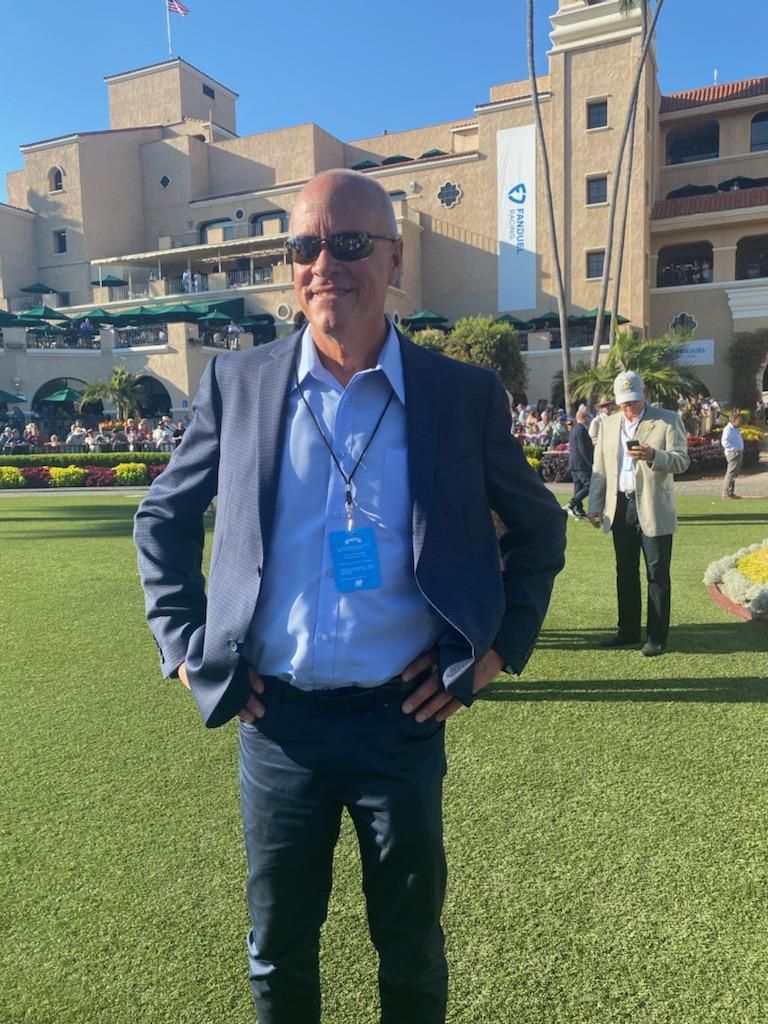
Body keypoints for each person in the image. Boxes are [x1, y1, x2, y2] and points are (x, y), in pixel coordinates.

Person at [134, 168, 566, 1024]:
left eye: (350, 243)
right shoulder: (238, 383)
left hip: (399, 721)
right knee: (277, 950)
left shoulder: (460, 394)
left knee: (410, 948)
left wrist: (490, 657)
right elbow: (162, 520)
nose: (324, 263)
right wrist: (186, 651)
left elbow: (539, 530)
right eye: (306, 246)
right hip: (277, 724)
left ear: (394, 260)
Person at [588, 370, 690, 657]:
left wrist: (654, 455)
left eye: (632, 401)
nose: (628, 408)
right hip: (620, 507)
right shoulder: (607, 424)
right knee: (625, 571)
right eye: (623, 403)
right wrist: (595, 505)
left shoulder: (667, 419)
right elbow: (599, 469)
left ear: (644, 394)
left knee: (657, 574)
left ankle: (657, 637)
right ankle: (628, 630)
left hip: (653, 507)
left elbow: (683, 461)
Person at [565, 406, 593, 520]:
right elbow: (583, 449)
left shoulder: (574, 429)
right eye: (588, 416)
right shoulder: (581, 430)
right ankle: (572, 503)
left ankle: (579, 509)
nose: (590, 419)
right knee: (589, 485)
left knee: (578, 486)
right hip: (581, 464)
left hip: (574, 463)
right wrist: (590, 463)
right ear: (583, 418)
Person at [721, 410, 744, 499]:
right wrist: (734, 450)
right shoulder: (728, 429)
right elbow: (724, 442)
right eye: (739, 420)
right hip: (733, 453)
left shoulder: (736, 429)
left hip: (738, 452)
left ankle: (731, 492)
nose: (741, 422)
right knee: (730, 473)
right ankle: (726, 493)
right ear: (734, 420)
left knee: (734, 474)